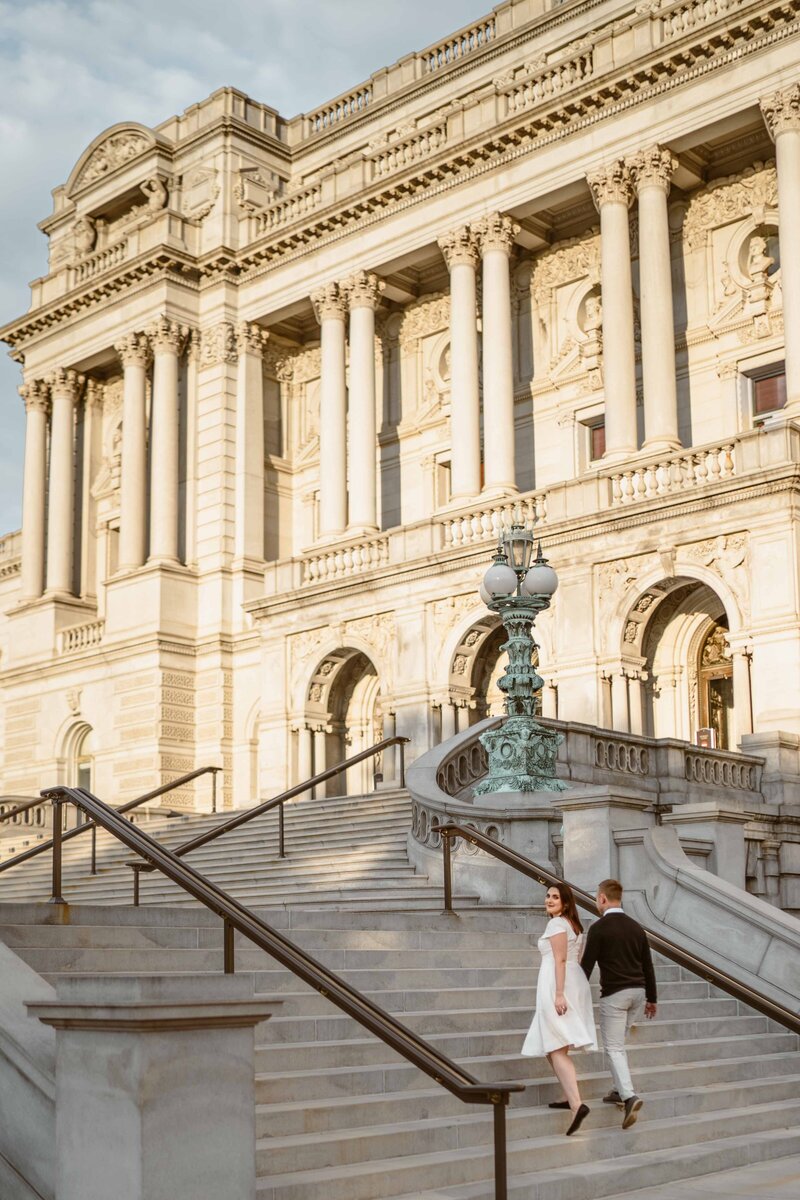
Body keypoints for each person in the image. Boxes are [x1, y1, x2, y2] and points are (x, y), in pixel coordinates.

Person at [580, 878, 657, 1129]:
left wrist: (574, 994)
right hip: (638, 993)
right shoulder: (637, 927)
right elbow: (648, 965)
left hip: (615, 994)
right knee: (619, 1045)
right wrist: (652, 999)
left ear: (602, 898)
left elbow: (587, 966)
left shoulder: (599, 928)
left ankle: (628, 1096)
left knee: (613, 1048)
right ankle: (617, 1088)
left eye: (596, 898)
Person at [521, 882, 597, 1136]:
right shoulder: (572, 924)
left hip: (558, 983)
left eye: (556, 897)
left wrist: (559, 993)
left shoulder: (556, 924)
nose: (549, 900)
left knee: (555, 1046)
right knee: (552, 1045)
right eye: (548, 895)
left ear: (565, 903)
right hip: (570, 980)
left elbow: (560, 959)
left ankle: (577, 1105)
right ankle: (568, 1096)